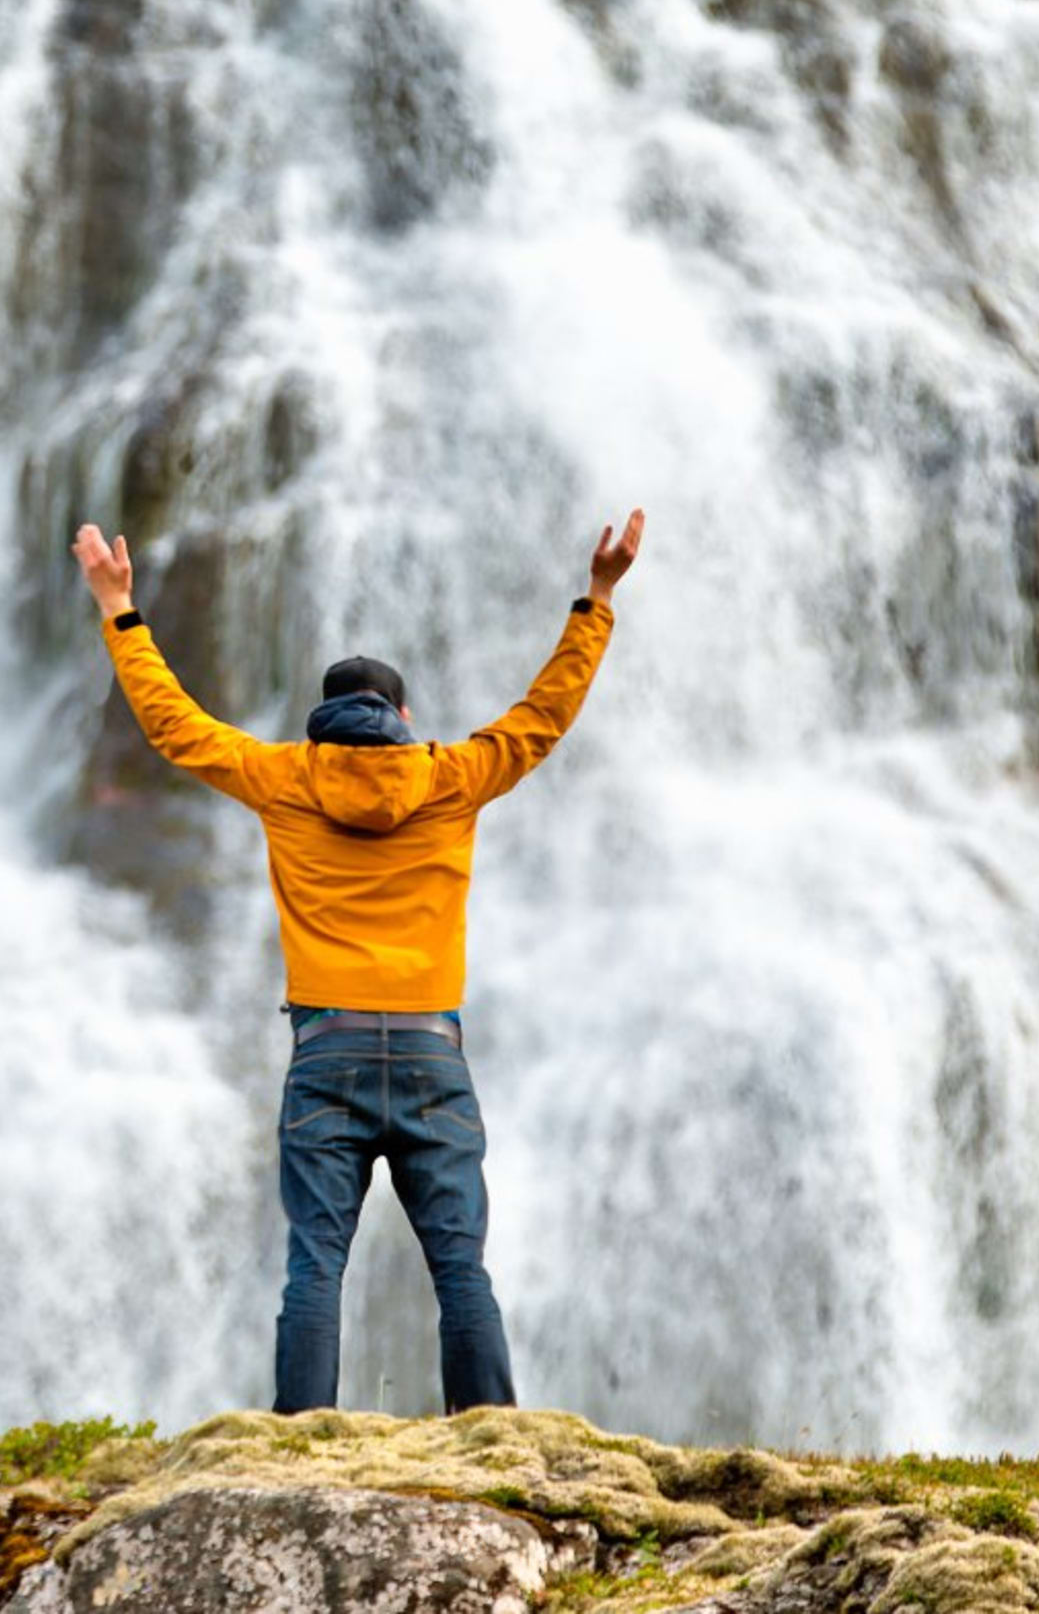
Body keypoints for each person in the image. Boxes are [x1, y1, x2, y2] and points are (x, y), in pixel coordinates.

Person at [67, 509, 645, 1414]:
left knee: (315, 1268)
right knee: (460, 1268)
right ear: (406, 719)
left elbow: (174, 727)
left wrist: (120, 610)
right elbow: (545, 717)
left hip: (326, 1047)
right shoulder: (452, 774)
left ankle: (301, 1441)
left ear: (323, 721)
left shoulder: (283, 774)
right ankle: (493, 1435)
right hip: (429, 1050)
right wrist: (599, 597)